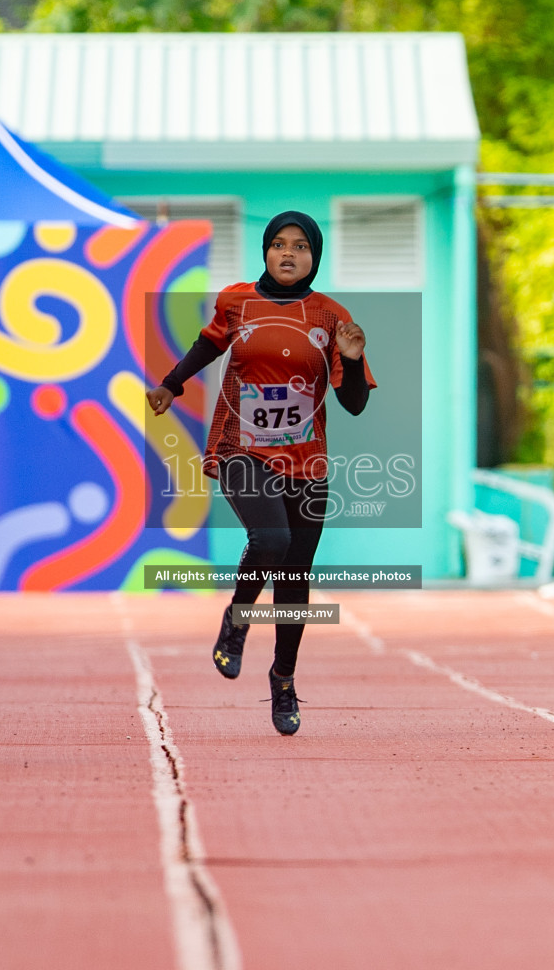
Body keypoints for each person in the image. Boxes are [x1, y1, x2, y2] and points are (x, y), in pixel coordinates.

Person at [146, 211, 375, 736]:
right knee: (270, 536)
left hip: (306, 458)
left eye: (300, 246)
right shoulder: (237, 300)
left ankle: (283, 679)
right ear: (265, 253)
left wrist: (355, 361)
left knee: (295, 576)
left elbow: (355, 403)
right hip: (240, 446)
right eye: (277, 244)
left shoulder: (332, 317)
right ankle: (238, 617)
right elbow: (209, 343)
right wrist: (171, 384)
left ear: (315, 257)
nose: (288, 253)